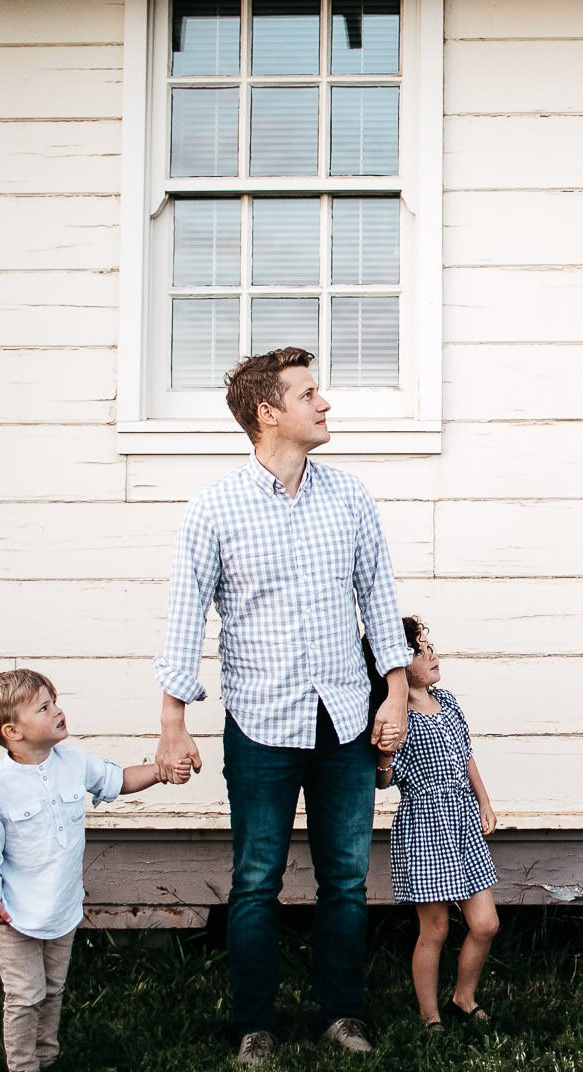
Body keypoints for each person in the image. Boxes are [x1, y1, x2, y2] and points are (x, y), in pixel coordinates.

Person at [149, 346, 415, 1065]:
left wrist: (394, 694)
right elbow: (185, 616)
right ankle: (253, 1023)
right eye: (309, 394)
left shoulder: (350, 496)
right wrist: (173, 724)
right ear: (268, 413)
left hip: (346, 720)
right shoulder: (214, 506)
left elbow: (380, 603)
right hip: (261, 722)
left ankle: (340, 1013)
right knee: (256, 881)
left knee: (347, 881)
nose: (324, 404)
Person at [0, 668, 191, 1072]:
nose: (58, 711)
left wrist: (160, 772)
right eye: (44, 707)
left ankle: (47, 1058)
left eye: (55, 701)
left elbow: (117, 779)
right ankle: (22, 1064)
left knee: (52, 990)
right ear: (13, 731)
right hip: (16, 914)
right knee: (24, 994)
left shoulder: (72, 761)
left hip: (63, 908)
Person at [373, 616, 500, 1032]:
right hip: (426, 827)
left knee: (485, 923)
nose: (430, 654)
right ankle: (431, 1017)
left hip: (462, 818)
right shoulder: (396, 716)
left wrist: (483, 801)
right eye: (416, 650)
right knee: (436, 929)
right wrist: (386, 754)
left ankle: (464, 997)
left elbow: (466, 755)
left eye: (429, 646)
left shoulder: (447, 701)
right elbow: (384, 780)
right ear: (392, 662)